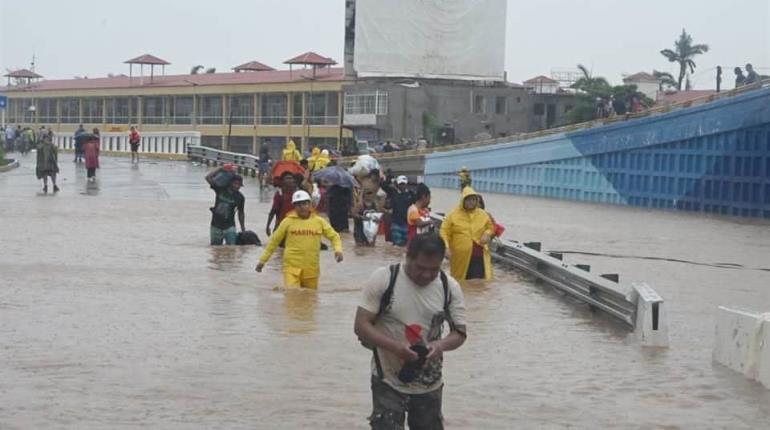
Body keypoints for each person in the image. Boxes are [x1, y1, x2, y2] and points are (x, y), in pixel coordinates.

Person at [354, 233, 467, 430]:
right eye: (420, 268)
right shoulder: (385, 279)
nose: (426, 275)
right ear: (408, 256)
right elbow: (361, 325)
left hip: (429, 382)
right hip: (387, 379)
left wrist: (439, 346)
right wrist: (396, 348)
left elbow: (460, 333)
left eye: (434, 269)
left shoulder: (450, 287)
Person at [256, 190, 343, 289]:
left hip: (311, 269)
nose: (301, 207)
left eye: (304, 203)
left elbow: (334, 236)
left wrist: (338, 250)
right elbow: (273, 242)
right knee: (292, 295)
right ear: (294, 206)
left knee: (310, 298)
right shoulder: (287, 222)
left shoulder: (319, 222)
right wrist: (262, 261)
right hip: (291, 268)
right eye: (298, 204)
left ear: (310, 204)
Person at [440, 187, 494, 281]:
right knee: (459, 281)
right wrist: (446, 247)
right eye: (468, 200)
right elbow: (444, 232)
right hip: (459, 256)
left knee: (477, 283)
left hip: (478, 255)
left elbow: (490, 227)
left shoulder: (483, 214)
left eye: (473, 200)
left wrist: (487, 234)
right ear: (463, 200)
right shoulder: (452, 215)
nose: (471, 202)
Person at [205, 166, 246, 245]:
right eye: (235, 184)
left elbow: (241, 213)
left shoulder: (240, 197)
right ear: (230, 183)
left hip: (230, 226)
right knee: (215, 250)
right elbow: (208, 178)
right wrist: (220, 168)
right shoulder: (220, 189)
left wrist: (243, 228)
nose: (237, 186)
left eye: (239, 185)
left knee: (231, 249)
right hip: (215, 225)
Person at [383, 175, 413, 246]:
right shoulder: (393, 193)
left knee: (406, 246)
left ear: (406, 184)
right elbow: (383, 185)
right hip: (396, 224)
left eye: (403, 184)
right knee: (397, 246)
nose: (402, 186)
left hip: (407, 225)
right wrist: (389, 180)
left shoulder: (411, 194)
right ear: (397, 185)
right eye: (400, 184)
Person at [266, 171, 297, 237]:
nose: (290, 180)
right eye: (287, 178)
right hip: (281, 226)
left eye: (291, 178)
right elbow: (273, 211)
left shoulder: (297, 194)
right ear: (282, 181)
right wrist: (267, 226)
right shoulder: (279, 195)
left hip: (295, 227)